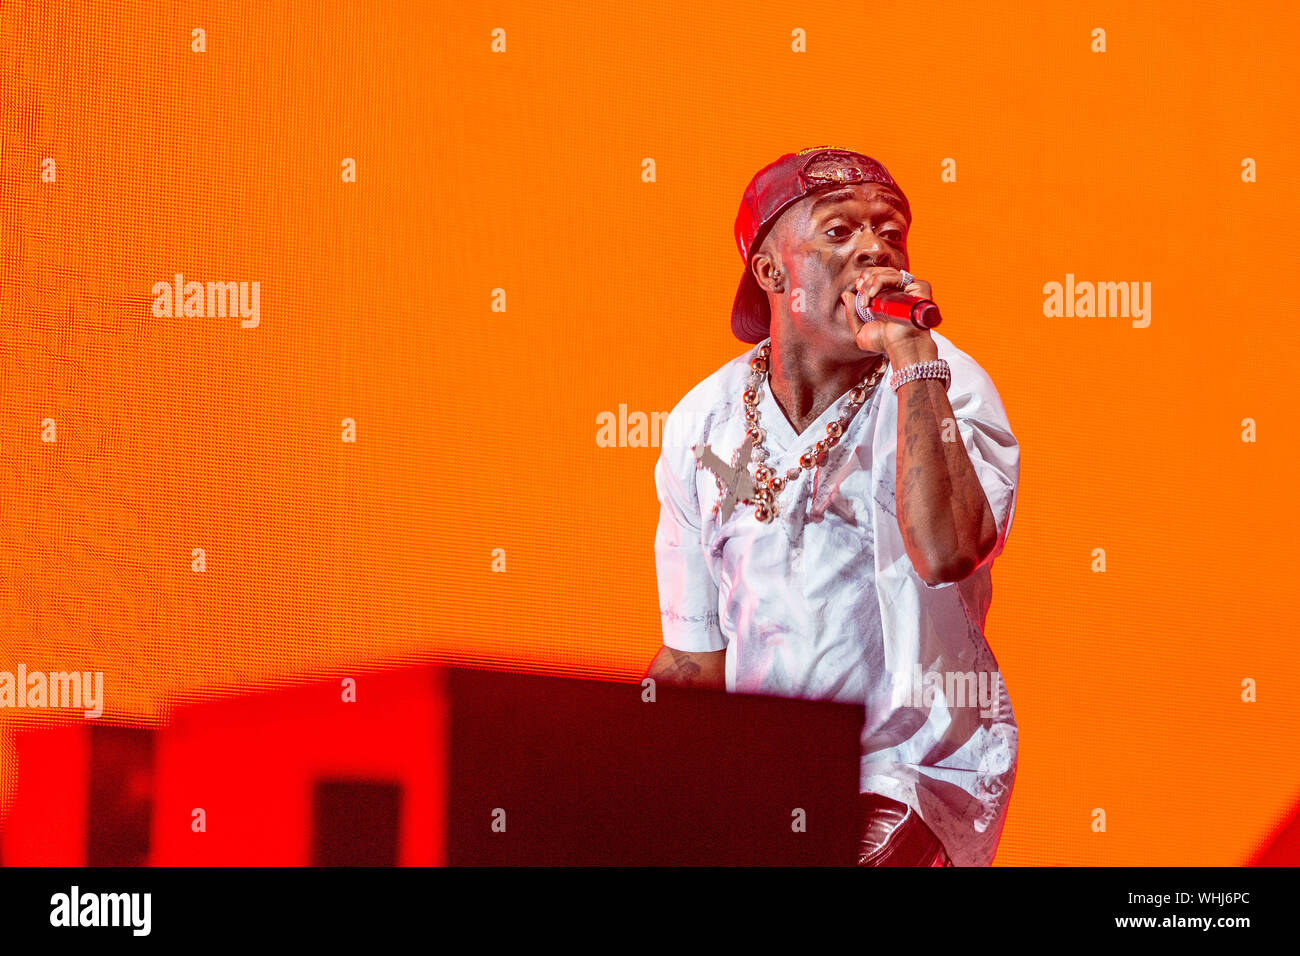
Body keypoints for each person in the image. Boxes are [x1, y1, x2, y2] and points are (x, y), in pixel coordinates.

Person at [646, 147, 1020, 867]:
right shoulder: (705, 419)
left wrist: (914, 355)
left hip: (916, 770)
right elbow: (696, 657)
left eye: (891, 233)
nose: (875, 248)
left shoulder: (946, 383)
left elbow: (948, 551)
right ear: (771, 270)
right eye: (840, 231)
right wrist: (603, 762)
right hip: (771, 776)